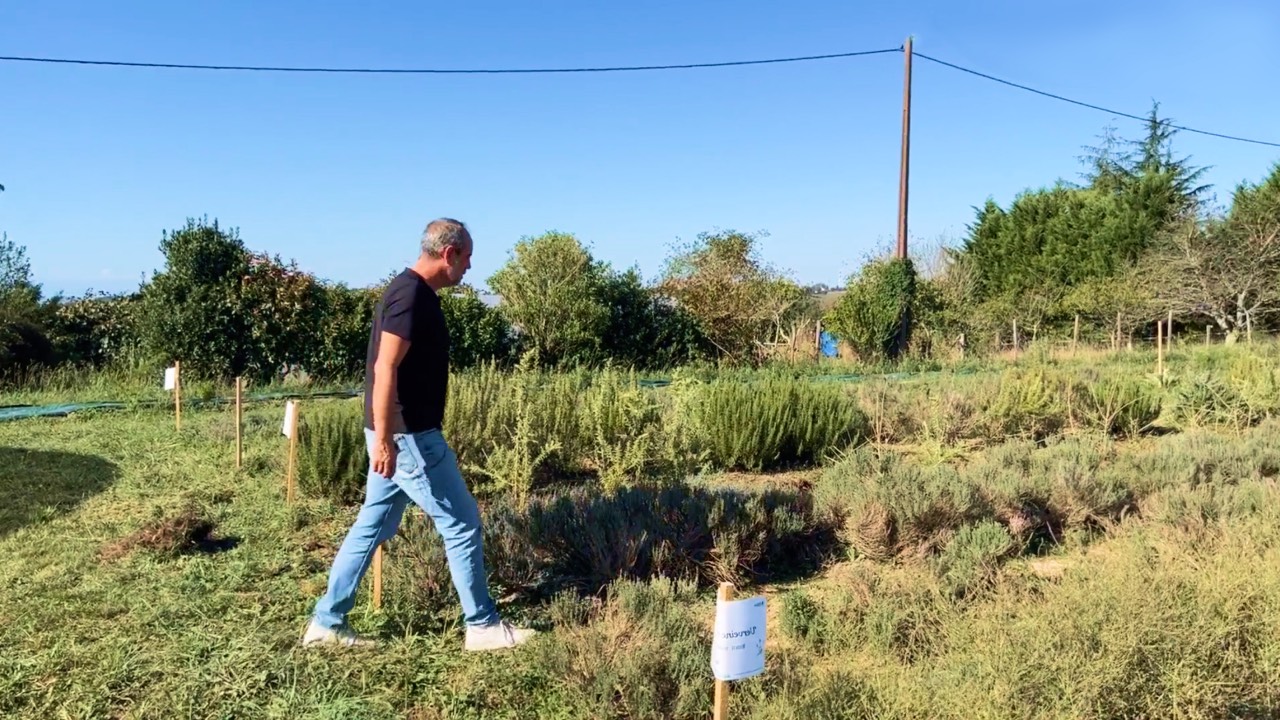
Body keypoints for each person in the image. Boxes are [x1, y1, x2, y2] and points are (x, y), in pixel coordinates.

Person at [301, 218, 536, 651]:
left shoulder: (410, 292)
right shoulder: (409, 296)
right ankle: (482, 626)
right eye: (466, 258)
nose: (468, 268)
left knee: (372, 524)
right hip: (409, 438)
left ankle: (327, 622)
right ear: (449, 253)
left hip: (397, 435)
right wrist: (388, 440)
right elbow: (384, 367)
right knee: (462, 524)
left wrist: (384, 436)